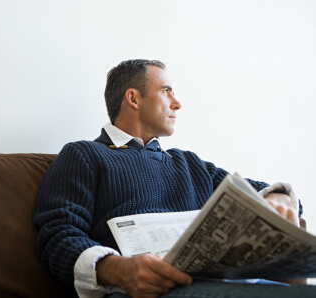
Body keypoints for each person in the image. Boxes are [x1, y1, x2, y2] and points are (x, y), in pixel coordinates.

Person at [33, 59, 313, 298]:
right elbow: (57, 235)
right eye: (167, 91)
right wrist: (117, 269)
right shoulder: (83, 154)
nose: (177, 104)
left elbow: (262, 192)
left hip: (227, 284)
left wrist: (278, 197)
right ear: (133, 98)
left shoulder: (190, 163)